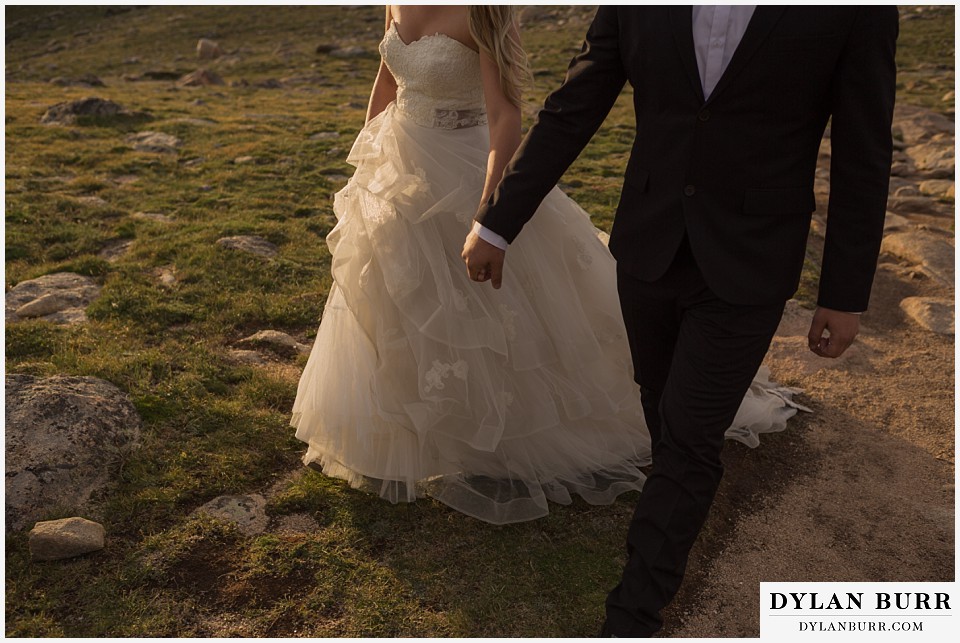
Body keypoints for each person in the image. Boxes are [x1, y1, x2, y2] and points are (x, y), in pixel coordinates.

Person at [463, 6, 898, 637]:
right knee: (663, 409)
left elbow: (864, 148)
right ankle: (674, 516)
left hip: (753, 256)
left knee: (692, 436)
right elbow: (573, 107)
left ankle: (634, 611)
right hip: (648, 245)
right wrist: (498, 222)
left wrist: (844, 292)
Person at [291, 6, 802, 527]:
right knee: (398, 296)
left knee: (484, 311)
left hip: (466, 172)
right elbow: (388, 81)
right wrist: (369, 164)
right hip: (399, 168)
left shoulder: (484, 11)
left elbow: (505, 116)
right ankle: (408, 429)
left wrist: (489, 215)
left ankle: (508, 433)